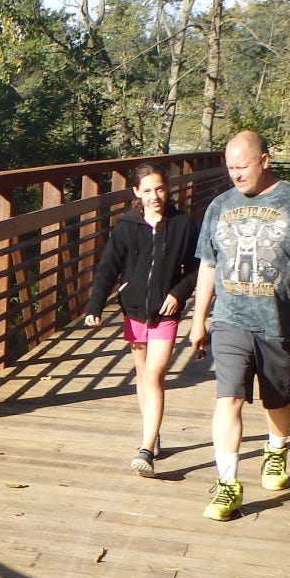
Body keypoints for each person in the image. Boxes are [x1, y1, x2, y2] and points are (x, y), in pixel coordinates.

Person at [188, 130, 290, 521]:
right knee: (228, 398)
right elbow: (208, 264)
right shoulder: (219, 205)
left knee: (278, 399)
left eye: (243, 167)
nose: (236, 175)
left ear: (265, 160)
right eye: (230, 168)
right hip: (230, 319)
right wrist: (199, 317)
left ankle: (276, 447)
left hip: (279, 321)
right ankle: (227, 484)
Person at [83, 163, 201, 478]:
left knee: (155, 375)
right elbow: (108, 266)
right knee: (141, 373)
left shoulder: (183, 224)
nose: (155, 196)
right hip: (133, 309)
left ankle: (146, 448)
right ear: (137, 192)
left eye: (159, 188)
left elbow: (196, 268)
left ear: (168, 188)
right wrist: (95, 304)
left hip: (166, 311)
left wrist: (179, 293)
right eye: (147, 190)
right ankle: (153, 428)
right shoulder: (126, 226)